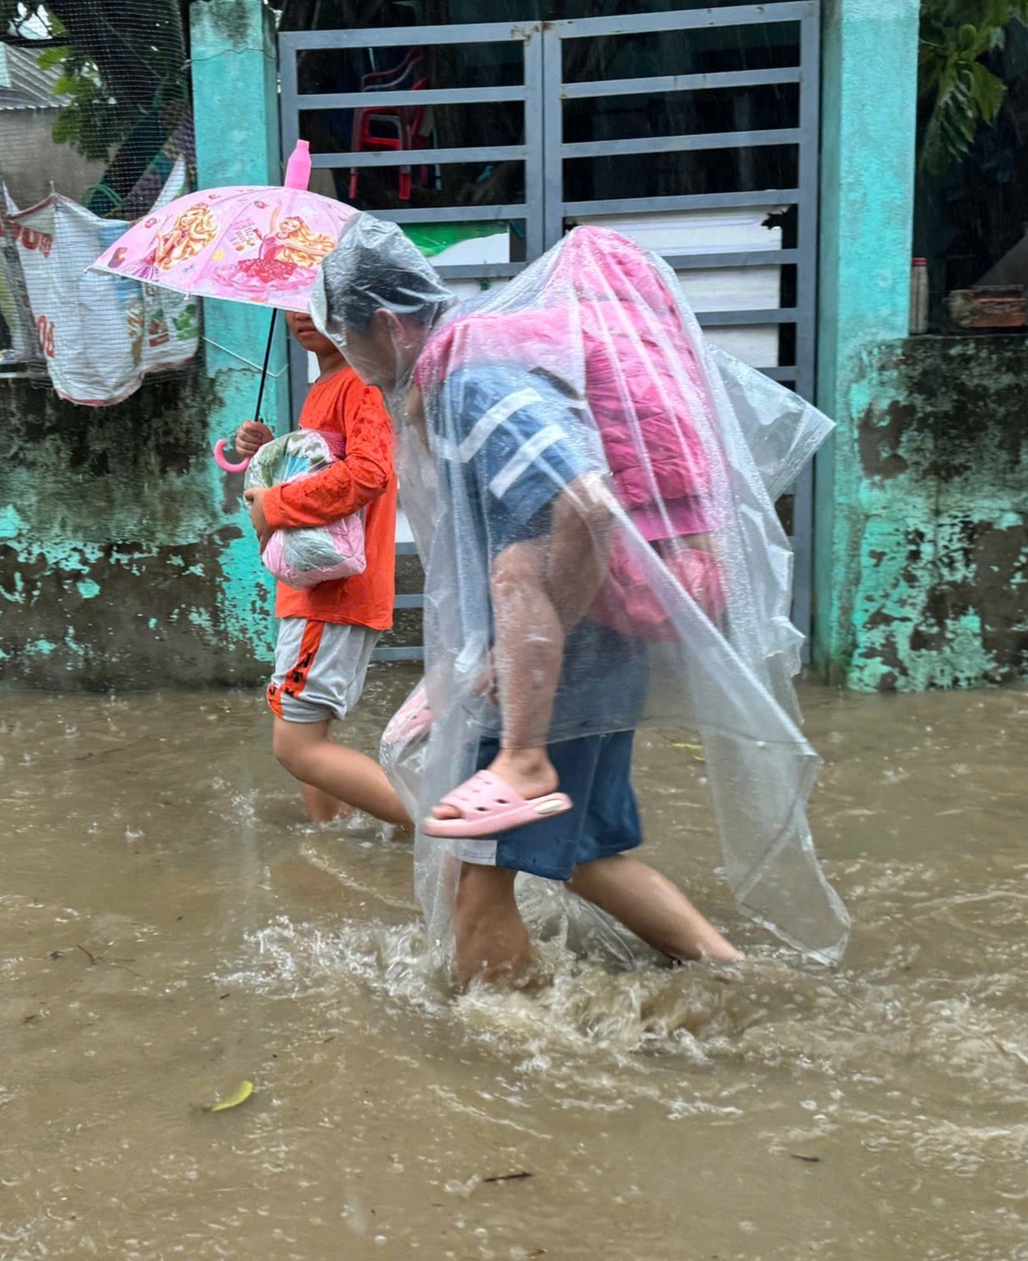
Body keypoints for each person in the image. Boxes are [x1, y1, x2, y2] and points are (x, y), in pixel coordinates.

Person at [312, 219, 746, 984]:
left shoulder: (469, 380)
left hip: (564, 662)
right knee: (584, 854)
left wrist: (533, 665)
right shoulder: (467, 365)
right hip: (597, 647)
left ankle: (489, 1055)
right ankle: (737, 974)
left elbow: (585, 505)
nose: (351, 361)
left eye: (347, 341)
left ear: (386, 322)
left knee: (477, 867)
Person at [234, 309, 412, 829]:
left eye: (317, 300)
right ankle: (331, 840)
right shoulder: (326, 386)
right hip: (313, 590)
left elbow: (368, 473)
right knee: (300, 728)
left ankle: (455, 838)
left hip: (333, 595)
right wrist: (272, 450)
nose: (299, 313)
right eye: (292, 298)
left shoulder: (360, 383)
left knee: (297, 745)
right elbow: (325, 466)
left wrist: (274, 503)